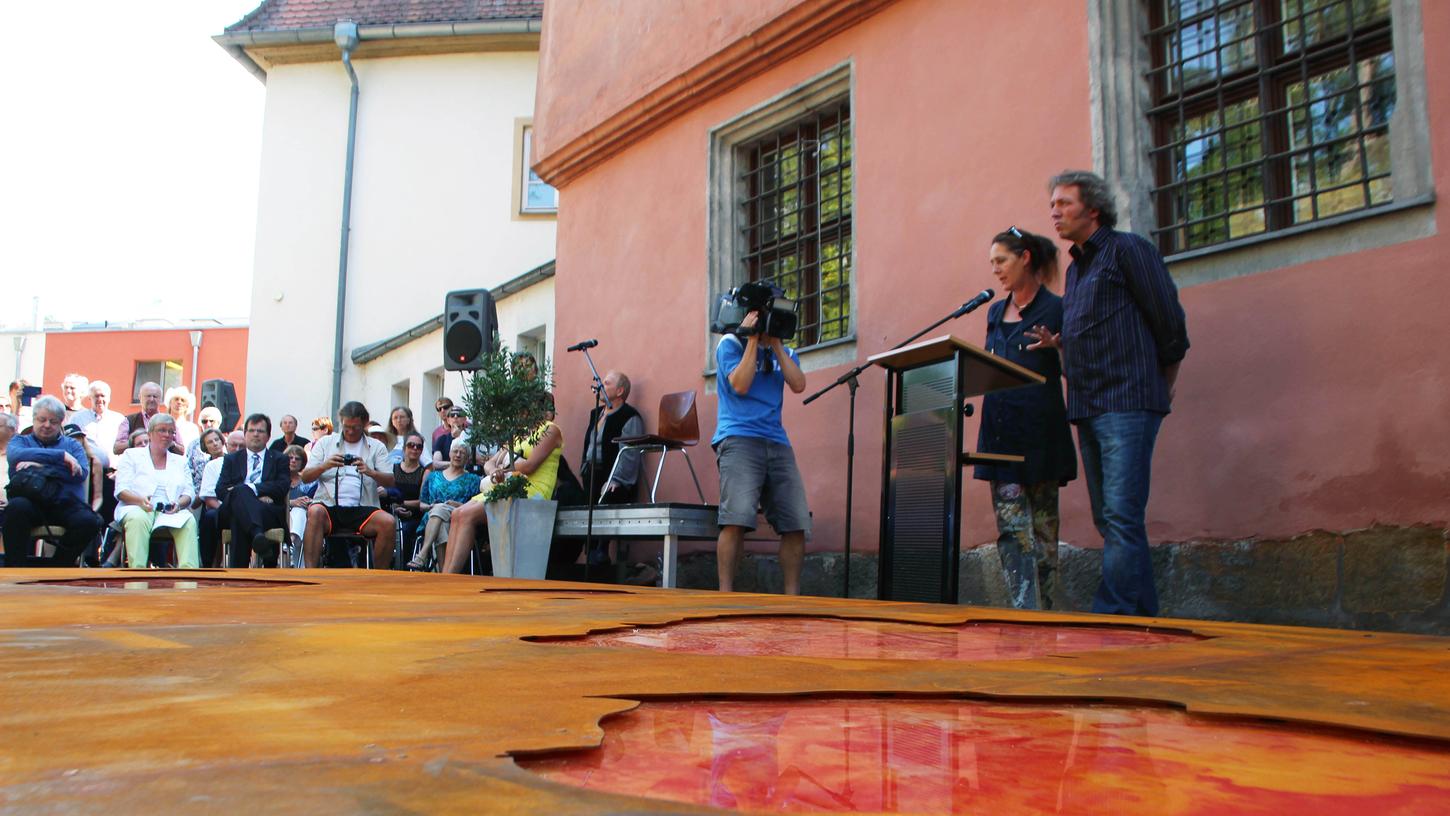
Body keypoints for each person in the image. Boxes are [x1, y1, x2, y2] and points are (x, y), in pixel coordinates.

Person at [1034, 170, 1191, 617]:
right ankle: (1140, 617)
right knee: (1110, 519)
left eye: (1064, 203)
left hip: (1128, 400)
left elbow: (1168, 321)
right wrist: (1063, 347)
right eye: (1053, 204)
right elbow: (1099, 330)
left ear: (1094, 208)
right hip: (1087, 404)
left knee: (1122, 515)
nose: (1054, 212)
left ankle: (1115, 615)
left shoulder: (1128, 250)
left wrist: (1166, 382)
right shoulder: (1078, 269)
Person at [973, 227, 1077, 611]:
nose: (996, 270)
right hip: (1002, 438)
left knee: (1044, 534)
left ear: (1025, 258)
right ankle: (1022, 613)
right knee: (1012, 534)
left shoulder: (1057, 308)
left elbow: (1075, 372)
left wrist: (1060, 346)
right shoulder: (994, 312)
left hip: (1042, 435)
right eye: (992, 263)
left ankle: (1045, 615)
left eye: (1001, 261)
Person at [712, 308, 810, 595]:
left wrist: (776, 343)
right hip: (738, 437)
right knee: (736, 518)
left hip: (777, 441)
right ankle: (725, 595)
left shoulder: (786, 352)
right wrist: (752, 339)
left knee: (796, 521)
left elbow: (799, 384)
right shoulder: (731, 344)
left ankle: (793, 599)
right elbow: (740, 384)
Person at [440, 409, 564, 575]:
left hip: (531, 491)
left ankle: (450, 578)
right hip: (507, 487)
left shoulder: (550, 429)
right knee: (458, 514)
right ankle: (445, 576)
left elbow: (530, 466)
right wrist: (495, 471)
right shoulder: (518, 434)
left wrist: (505, 465)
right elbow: (489, 464)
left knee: (467, 515)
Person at [1, 396, 102, 568]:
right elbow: (15, 457)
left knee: (91, 521)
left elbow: (80, 473)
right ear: (33, 419)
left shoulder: (73, 445)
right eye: (42, 420)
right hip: (29, 503)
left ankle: (57, 567)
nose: (47, 425)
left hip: (63, 503)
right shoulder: (20, 441)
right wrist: (61, 457)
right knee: (15, 509)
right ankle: (15, 569)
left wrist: (38, 466)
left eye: (53, 421)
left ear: (61, 423)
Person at [300, 401, 396, 569]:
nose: (351, 431)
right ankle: (311, 572)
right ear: (341, 422)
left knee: (388, 522)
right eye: (347, 427)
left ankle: (381, 575)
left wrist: (370, 471)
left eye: (356, 428)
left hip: (363, 507)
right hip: (329, 505)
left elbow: (390, 481)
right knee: (314, 511)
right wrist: (326, 465)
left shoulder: (376, 446)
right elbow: (306, 477)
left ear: (365, 423)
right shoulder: (325, 443)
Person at [113, 413, 199, 568]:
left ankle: (188, 580)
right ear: (150, 433)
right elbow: (121, 490)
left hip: (170, 510)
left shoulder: (180, 461)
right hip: (137, 506)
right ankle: (137, 576)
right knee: (138, 518)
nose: (167, 435)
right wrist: (140, 500)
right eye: (162, 430)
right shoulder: (131, 455)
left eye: (171, 431)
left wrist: (178, 504)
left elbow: (189, 492)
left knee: (188, 521)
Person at [579, 370, 644, 568]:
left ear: (620, 391)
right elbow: (589, 445)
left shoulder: (629, 417)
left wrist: (616, 479)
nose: (601, 386)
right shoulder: (596, 414)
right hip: (591, 474)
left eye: (606, 383)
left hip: (612, 477)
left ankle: (601, 551)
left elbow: (629, 454)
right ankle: (588, 551)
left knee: (608, 496)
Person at [215, 414, 290, 568]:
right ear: (245, 434)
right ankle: (258, 536)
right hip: (235, 511)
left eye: (260, 431)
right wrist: (251, 496)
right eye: (252, 430)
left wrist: (251, 489)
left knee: (240, 511)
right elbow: (220, 490)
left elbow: (282, 487)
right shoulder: (232, 459)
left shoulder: (279, 459)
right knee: (240, 500)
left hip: (267, 512)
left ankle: (238, 574)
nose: (256, 434)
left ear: (268, 436)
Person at [407, 437, 482, 570]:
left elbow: (475, 504)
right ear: (449, 453)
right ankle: (445, 574)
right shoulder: (433, 476)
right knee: (439, 514)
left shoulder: (473, 480)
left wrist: (456, 505)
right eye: (455, 451)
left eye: (462, 453)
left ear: (468, 458)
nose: (458, 455)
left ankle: (423, 554)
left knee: (441, 513)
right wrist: (431, 507)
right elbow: (422, 505)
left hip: (457, 519)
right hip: (431, 518)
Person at [195, 430, 244, 568]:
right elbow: (209, 499)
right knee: (210, 517)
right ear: (227, 445)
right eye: (234, 445)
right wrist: (227, 510)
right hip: (221, 510)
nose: (237, 449)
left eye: (242, 446)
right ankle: (208, 565)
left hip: (247, 511)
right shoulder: (213, 466)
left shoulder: (252, 462)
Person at [386, 431, 428, 558]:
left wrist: (402, 504)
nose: (415, 448)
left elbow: (422, 501)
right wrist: (395, 508)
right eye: (411, 445)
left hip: (414, 516)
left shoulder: (424, 473)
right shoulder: (392, 469)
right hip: (391, 512)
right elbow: (385, 493)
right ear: (404, 448)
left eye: (418, 446)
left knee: (406, 530)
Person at [114, 382, 179, 456]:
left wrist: (170, 443)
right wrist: (135, 441)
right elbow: (116, 449)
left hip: (162, 465)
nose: (151, 399)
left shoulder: (169, 421)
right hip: (136, 464)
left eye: (155, 396)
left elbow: (181, 450)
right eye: (148, 396)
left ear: (160, 399)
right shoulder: (129, 420)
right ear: (140, 397)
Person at [283, 444, 316, 562]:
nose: (293, 461)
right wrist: (292, 502)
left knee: (300, 512)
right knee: (297, 511)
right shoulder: (278, 480)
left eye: (297, 458)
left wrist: (309, 502)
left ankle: (289, 545)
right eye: (290, 458)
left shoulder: (309, 482)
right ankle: (290, 546)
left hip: (304, 518)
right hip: (282, 515)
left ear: (303, 462)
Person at [431, 405, 468, 470]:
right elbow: (436, 463)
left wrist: (460, 437)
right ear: (448, 420)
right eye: (452, 415)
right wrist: (455, 463)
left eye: (459, 415)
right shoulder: (442, 439)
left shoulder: (471, 438)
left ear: (464, 419)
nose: (455, 417)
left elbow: (470, 459)